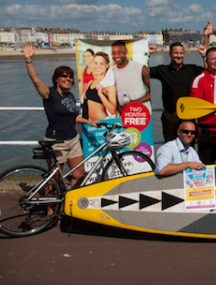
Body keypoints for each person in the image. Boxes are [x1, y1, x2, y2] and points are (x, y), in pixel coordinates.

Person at [21, 41, 97, 187]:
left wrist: (88, 122)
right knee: (54, 178)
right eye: (64, 76)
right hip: (56, 142)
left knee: (78, 173)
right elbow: (36, 80)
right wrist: (28, 60)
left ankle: (68, 202)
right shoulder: (49, 94)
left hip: (73, 140)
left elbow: (72, 116)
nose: (68, 79)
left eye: (70, 76)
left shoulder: (69, 96)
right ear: (56, 78)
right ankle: (51, 210)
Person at [143, 42, 205, 142]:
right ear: (170, 54)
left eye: (181, 53)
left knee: (189, 146)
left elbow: (208, 71)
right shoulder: (162, 70)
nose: (178, 56)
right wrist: (147, 55)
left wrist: (203, 55)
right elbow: (144, 72)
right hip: (170, 116)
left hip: (188, 115)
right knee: (170, 146)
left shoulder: (192, 69)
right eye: (176, 53)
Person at [108, 41, 151, 113]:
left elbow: (152, 92)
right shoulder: (111, 71)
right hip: (125, 116)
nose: (116, 55)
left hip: (143, 116)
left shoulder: (140, 68)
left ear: (126, 51)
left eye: (119, 52)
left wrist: (135, 103)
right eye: (114, 53)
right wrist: (118, 107)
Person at [82, 52, 117, 120]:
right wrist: (85, 122)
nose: (97, 66)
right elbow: (85, 104)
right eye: (95, 63)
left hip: (103, 123)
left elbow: (112, 111)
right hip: (90, 123)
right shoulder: (91, 82)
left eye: (101, 63)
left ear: (107, 64)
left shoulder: (109, 85)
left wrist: (100, 94)